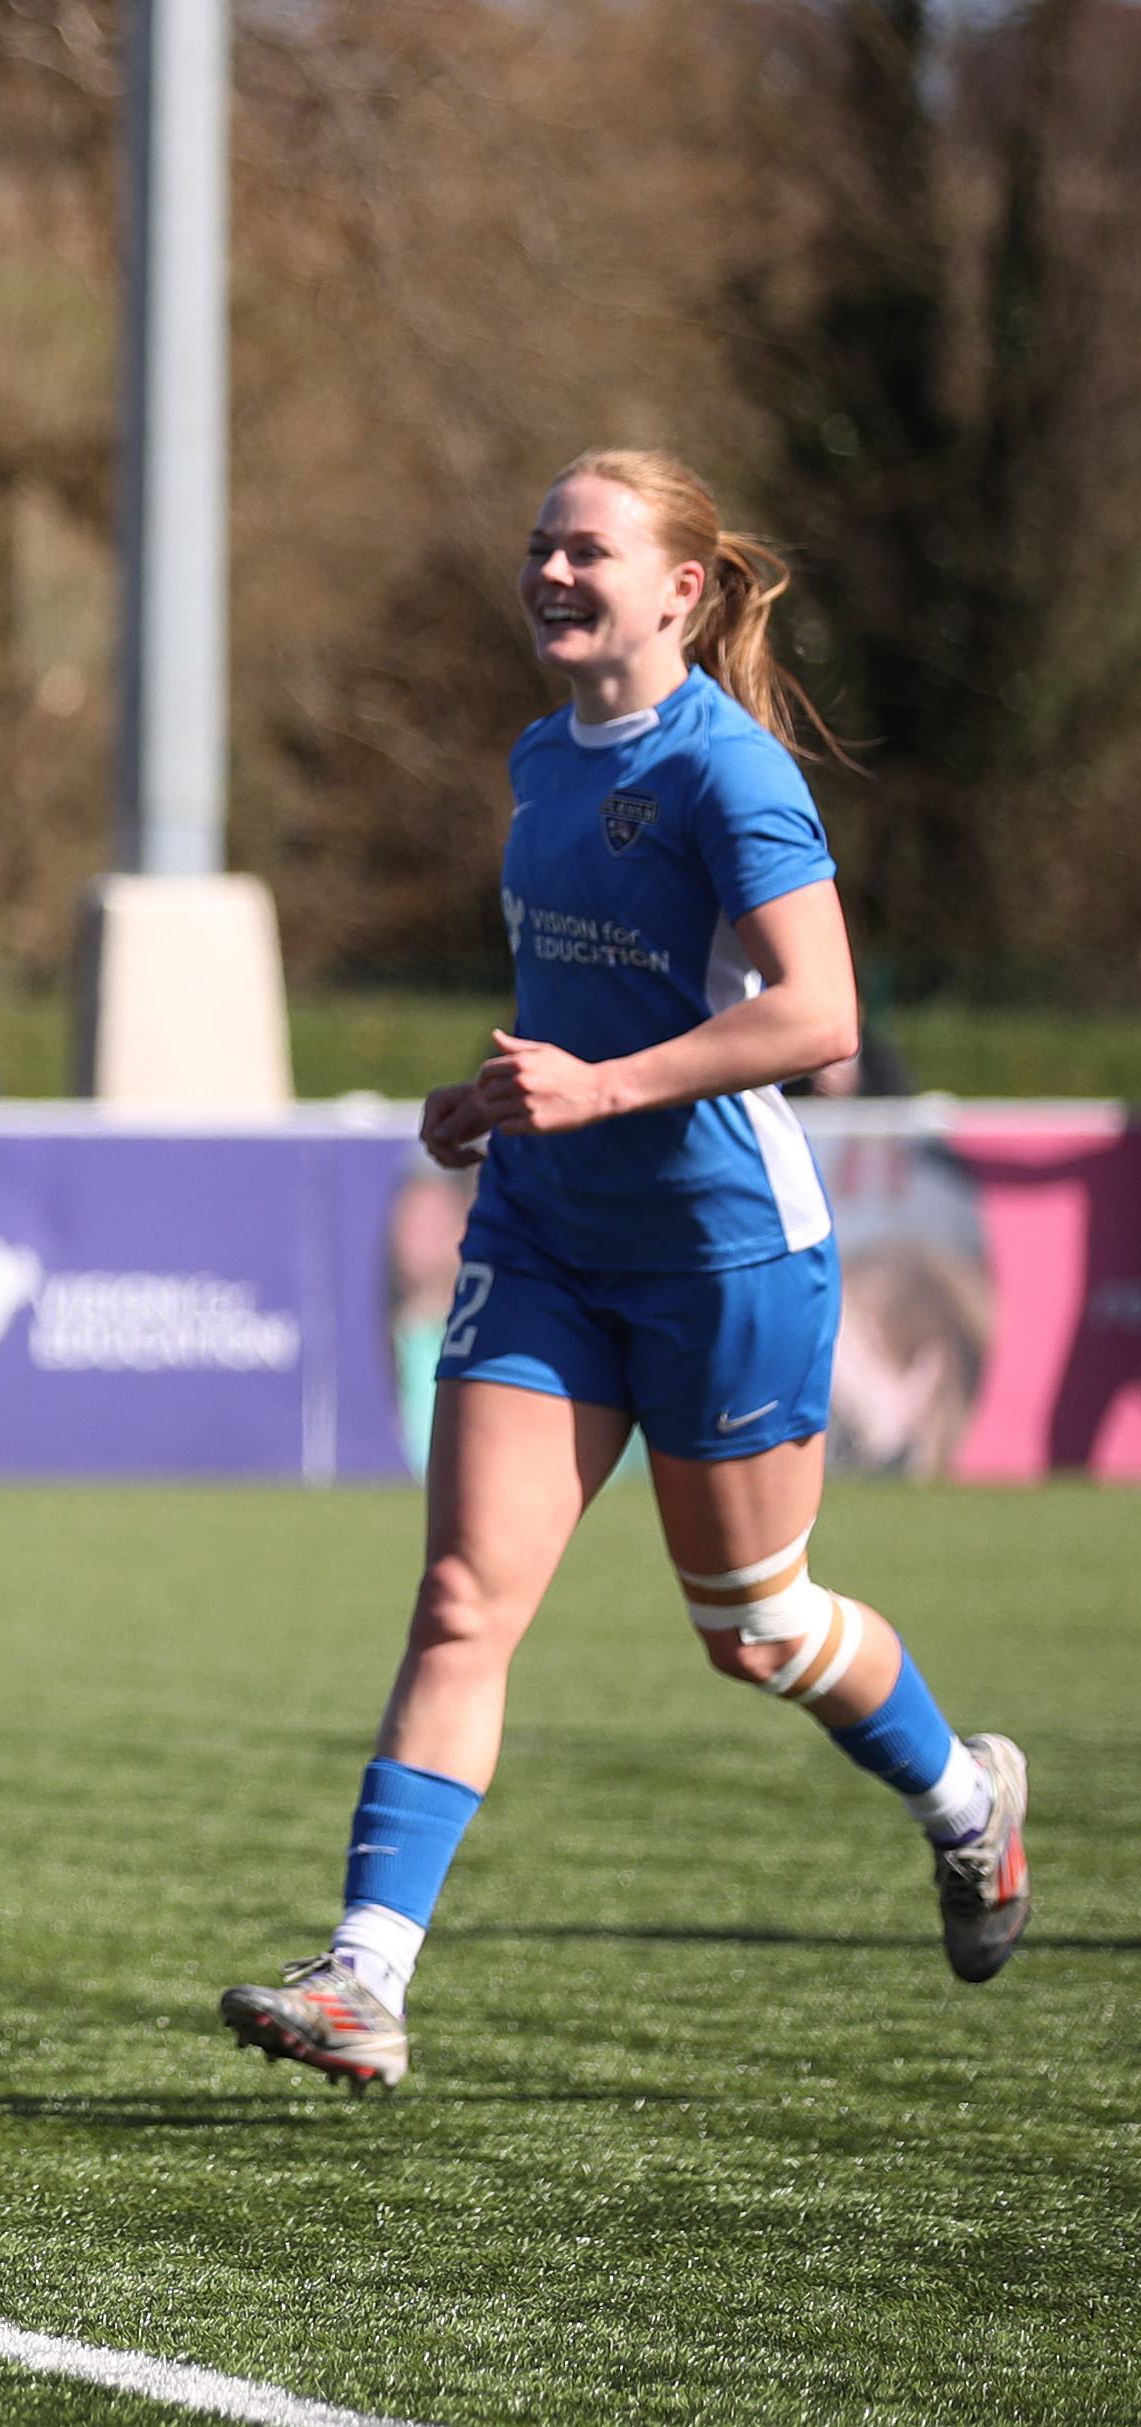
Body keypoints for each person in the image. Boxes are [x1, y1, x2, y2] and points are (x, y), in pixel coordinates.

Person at [217, 450, 1031, 2097]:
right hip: (542, 1237)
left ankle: (966, 1799)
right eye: (539, 545)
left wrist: (600, 1089)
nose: (550, 571)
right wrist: (492, 1098)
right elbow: (578, 1008)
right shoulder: (540, 758)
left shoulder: (730, 773)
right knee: (463, 1598)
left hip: (721, 1254)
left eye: (587, 549)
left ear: (679, 588)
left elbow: (818, 1014)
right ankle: (366, 1974)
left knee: (757, 1626)